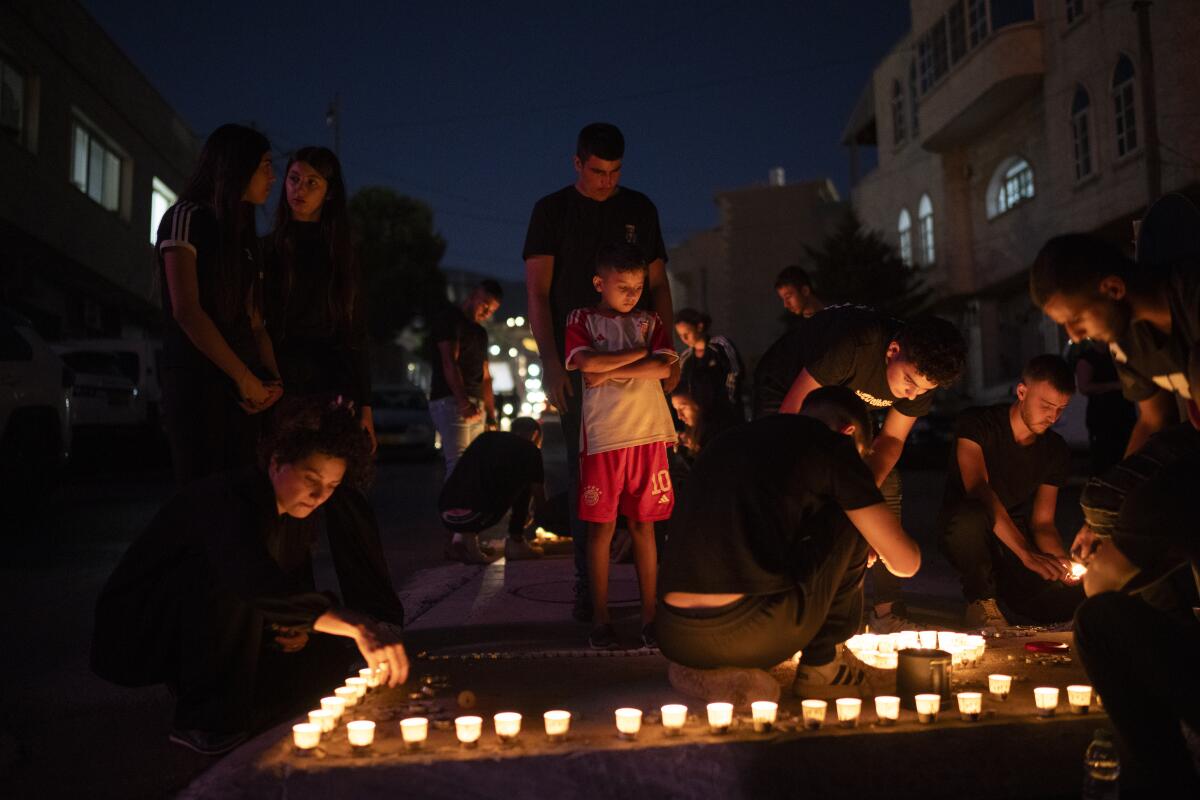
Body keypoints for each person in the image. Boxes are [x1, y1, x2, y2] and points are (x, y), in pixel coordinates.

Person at [91, 398, 407, 756]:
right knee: (234, 581)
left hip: (220, 619)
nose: (319, 496)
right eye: (310, 479)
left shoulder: (293, 514)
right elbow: (254, 580)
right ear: (276, 462)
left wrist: (295, 628)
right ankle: (203, 719)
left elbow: (285, 590)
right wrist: (360, 625)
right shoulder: (228, 502)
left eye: (332, 486)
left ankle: (240, 696)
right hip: (139, 630)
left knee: (330, 662)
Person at [657, 387, 921, 706]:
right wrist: (868, 535)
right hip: (751, 632)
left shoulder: (728, 441)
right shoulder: (833, 445)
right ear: (848, 432)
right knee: (853, 516)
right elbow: (906, 563)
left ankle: (706, 673)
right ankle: (823, 667)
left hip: (674, 635)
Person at [524, 122, 675, 623]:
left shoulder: (640, 209)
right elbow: (538, 292)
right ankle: (588, 589)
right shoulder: (552, 211)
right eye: (596, 171)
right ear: (576, 163)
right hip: (579, 358)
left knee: (642, 492)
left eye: (614, 172)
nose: (606, 181)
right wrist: (551, 363)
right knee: (585, 478)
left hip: (642, 370)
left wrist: (667, 347)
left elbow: (658, 283)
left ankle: (645, 598)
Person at [752, 305, 966, 631]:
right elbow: (790, 420)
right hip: (786, 389)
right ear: (892, 351)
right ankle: (777, 598)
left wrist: (860, 494)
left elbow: (891, 441)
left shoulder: (919, 378)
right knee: (785, 481)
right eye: (909, 381)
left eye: (923, 390)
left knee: (887, 483)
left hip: (844, 408)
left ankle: (886, 609)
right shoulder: (853, 345)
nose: (912, 393)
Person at [1071, 349, 1200, 795]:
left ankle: (1172, 784)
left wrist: (1113, 553)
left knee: (1097, 621)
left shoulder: (1175, 489)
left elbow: (1098, 587)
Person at [565, 242, 678, 649]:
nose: (632, 294)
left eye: (637, 286)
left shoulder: (651, 320)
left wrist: (611, 366)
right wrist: (635, 355)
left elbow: (664, 366)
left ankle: (651, 618)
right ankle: (601, 620)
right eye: (622, 286)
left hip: (648, 435)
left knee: (645, 526)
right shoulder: (582, 318)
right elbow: (586, 364)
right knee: (602, 529)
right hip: (604, 438)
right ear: (600, 283)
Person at [157, 124, 283, 483]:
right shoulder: (186, 217)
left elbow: (255, 323)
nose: (272, 176)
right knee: (202, 497)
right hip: (199, 383)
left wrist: (272, 381)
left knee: (243, 496)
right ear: (236, 166)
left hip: (244, 391)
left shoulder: (244, 237)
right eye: (265, 165)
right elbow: (187, 311)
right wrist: (244, 378)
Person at [938, 355, 1084, 630]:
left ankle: (1006, 598)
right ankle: (981, 601)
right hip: (966, 527)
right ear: (1021, 391)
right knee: (972, 516)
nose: (1053, 417)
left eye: (1061, 409)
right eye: (1047, 405)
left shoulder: (1055, 450)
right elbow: (978, 489)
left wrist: (1061, 565)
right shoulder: (978, 424)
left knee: (1069, 600)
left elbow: (1043, 523)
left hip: (1013, 538)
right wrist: (1026, 553)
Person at [1031, 232, 1200, 456]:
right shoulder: (1127, 344)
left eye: (1076, 319)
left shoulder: (1191, 293)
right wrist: (1120, 486)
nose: (1076, 335)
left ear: (1113, 288)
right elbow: (1153, 419)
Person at [264, 146, 375, 450]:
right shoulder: (267, 249)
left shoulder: (343, 255)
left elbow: (356, 331)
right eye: (294, 179)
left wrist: (366, 406)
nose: (299, 189)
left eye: (312, 182)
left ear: (329, 193)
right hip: (280, 384)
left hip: (332, 383)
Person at [438, 417, 547, 564]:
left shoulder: (486, 437)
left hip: (446, 512)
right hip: (474, 515)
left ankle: (463, 537)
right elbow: (539, 495)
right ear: (535, 434)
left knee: (481, 480)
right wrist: (539, 516)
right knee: (526, 480)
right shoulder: (529, 449)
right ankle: (516, 542)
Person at [428, 279, 502, 478]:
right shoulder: (450, 319)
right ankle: (454, 508)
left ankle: (466, 507)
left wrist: (491, 416)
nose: (486, 313)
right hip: (451, 400)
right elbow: (449, 361)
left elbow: (486, 376)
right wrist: (462, 402)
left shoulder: (480, 333)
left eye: (492, 311)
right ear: (473, 295)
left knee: (473, 462)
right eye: (485, 305)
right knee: (459, 463)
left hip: (475, 404)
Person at [1071, 339, 1136, 474]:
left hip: (1124, 413)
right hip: (1102, 416)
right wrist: (1115, 386)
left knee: (1125, 454)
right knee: (1103, 458)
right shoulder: (1088, 359)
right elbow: (1084, 387)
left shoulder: (1118, 356)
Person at [674, 307, 745, 419]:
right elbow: (682, 386)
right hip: (702, 417)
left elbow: (735, 372)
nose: (684, 338)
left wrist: (729, 403)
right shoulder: (685, 358)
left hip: (727, 414)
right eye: (680, 335)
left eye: (687, 333)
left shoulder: (720, 345)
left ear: (699, 326)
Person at [670, 382, 740, 461]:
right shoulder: (696, 431)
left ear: (698, 402)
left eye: (683, 408)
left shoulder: (719, 434)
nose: (679, 416)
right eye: (676, 409)